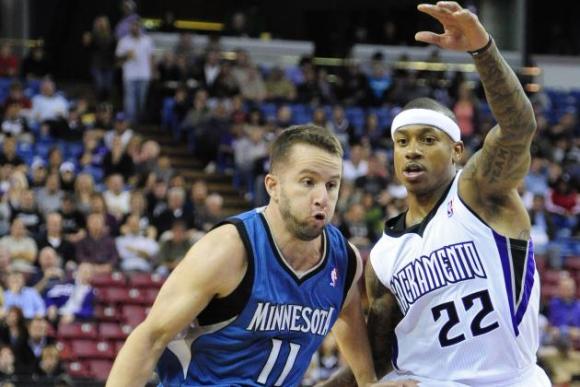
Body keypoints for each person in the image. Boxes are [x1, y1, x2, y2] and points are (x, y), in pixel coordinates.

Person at [327, 2, 550, 386]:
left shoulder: (479, 193)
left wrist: (482, 49)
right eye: (402, 142)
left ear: (457, 151)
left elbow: (517, 128)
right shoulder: (383, 257)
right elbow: (376, 359)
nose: (412, 150)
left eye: (428, 140)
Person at [107, 125, 376, 386]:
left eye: (331, 185)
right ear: (273, 186)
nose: (322, 197)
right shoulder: (229, 249)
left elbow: (349, 319)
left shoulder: (345, 261)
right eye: (308, 182)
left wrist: (369, 381)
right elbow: (150, 338)